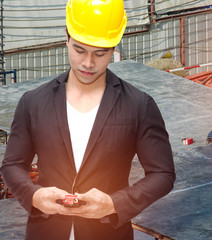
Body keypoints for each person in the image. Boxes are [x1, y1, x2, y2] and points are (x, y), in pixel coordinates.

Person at [0, 0, 175, 239]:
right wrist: (33, 195)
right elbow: (12, 165)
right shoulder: (33, 102)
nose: (88, 63)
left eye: (99, 54)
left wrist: (114, 204)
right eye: (79, 50)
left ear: (113, 48)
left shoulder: (139, 105)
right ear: (67, 37)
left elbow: (162, 174)